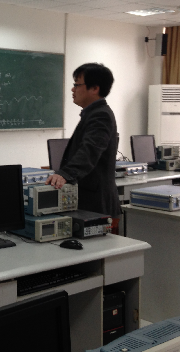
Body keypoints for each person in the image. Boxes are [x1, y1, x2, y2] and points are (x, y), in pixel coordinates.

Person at [46, 63, 120, 234]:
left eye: (77, 84)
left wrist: (65, 174)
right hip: (91, 201)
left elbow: (90, 150)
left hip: (97, 205)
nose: (73, 89)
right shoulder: (93, 113)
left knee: (98, 250)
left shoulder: (100, 115)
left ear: (94, 88)